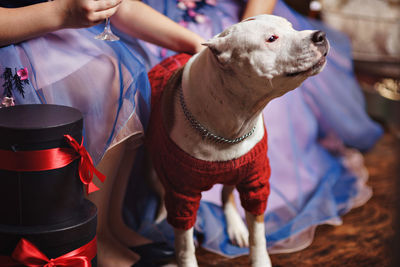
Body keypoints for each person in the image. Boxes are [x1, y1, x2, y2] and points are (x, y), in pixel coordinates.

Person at [122, 0, 384, 258]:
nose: (309, 37)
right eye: (273, 39)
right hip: (155, 24)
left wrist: (253, 32)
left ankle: (230, 204)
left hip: (241, 16)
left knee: (254, 160)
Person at [0, 0, 205, 266]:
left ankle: (110, 222)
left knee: (127, 64)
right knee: (103, 74)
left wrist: (195, 43)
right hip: (13, 37)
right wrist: (63, 12)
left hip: (56, 29)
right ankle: (93, 235)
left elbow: (119, 5)